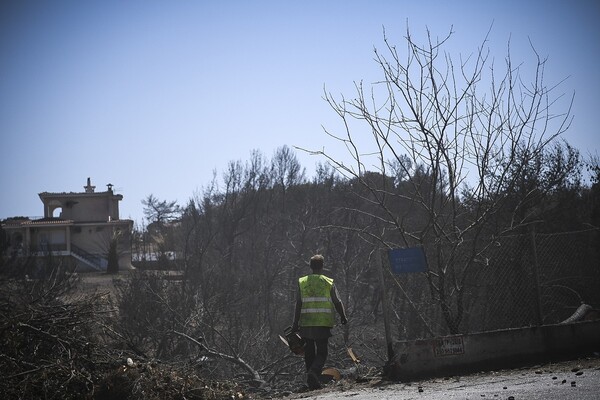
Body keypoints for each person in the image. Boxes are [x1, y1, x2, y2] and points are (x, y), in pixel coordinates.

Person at [291, 254, 348, 390]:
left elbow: (298, 304)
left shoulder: (303, 282)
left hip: (306, 323)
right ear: (322, 266)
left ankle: (312, 381)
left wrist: (295, 323)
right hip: (322, 323)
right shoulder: (328, 282)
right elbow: (337, 301)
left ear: (310, 266)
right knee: (322, 353)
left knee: (309, 352)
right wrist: (343, 316)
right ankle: (313, 374)